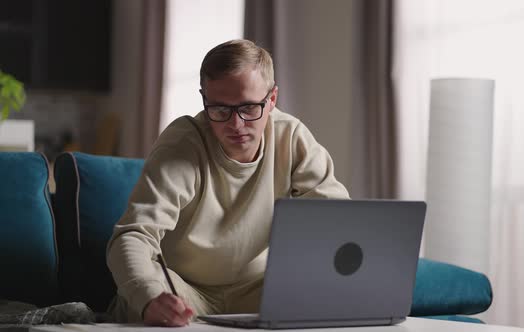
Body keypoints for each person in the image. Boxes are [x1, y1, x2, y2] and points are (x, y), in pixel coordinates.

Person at [106, 39, 349, 327]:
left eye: (248, 108)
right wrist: (148, 296)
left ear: (271, 99)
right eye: (220, 109)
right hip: (184, 289)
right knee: (147, 288)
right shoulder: (182, 144)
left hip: (261, 291)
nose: (236, 125)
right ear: (204, 99)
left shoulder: (291, 137)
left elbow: (339, 222)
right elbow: (132, 235)